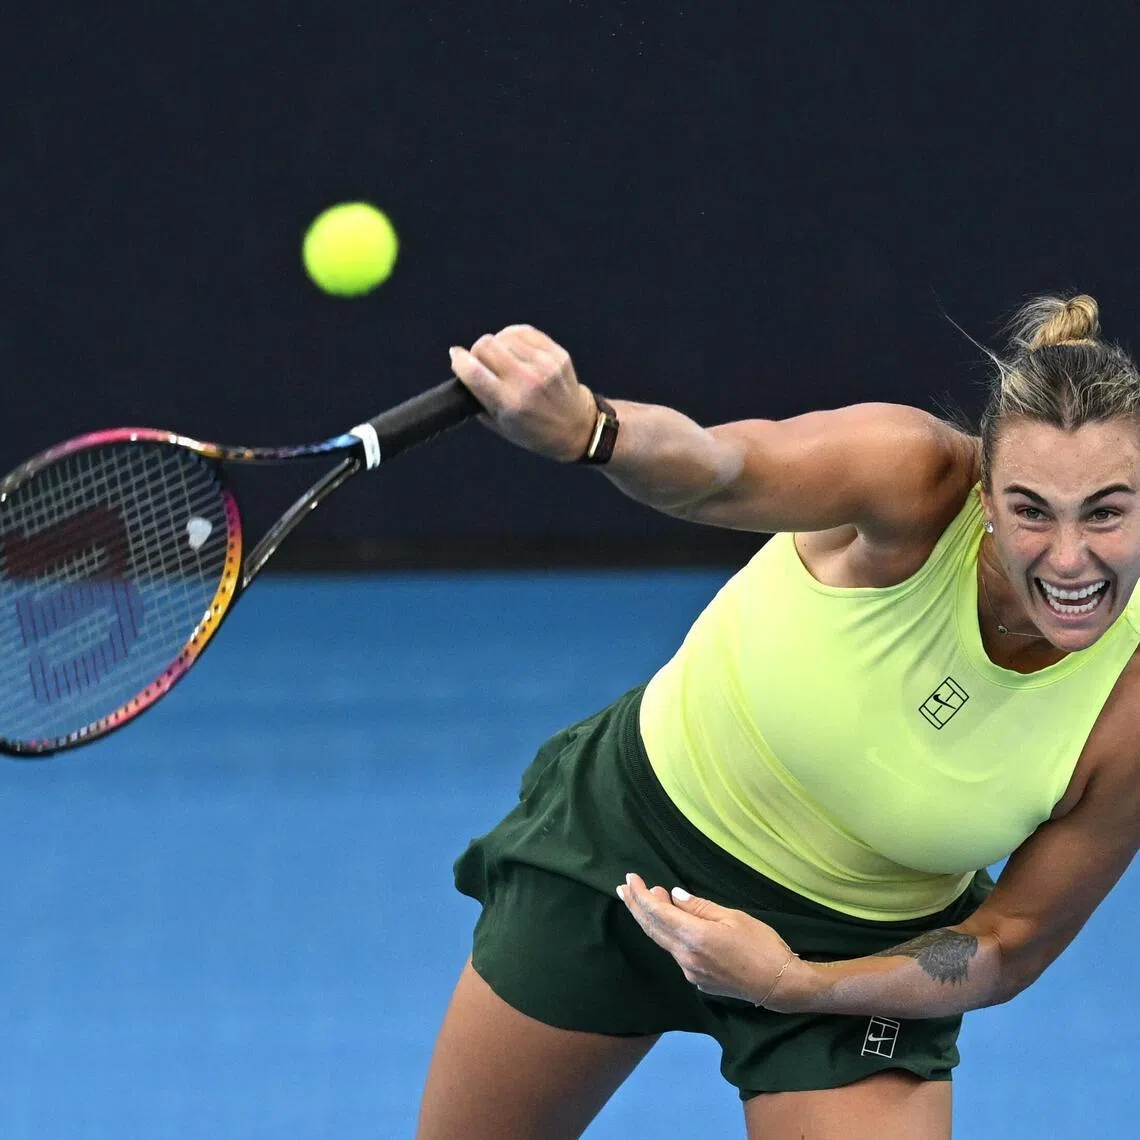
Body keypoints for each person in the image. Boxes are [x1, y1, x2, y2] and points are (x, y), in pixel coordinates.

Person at [416, 294, 1140, 1140]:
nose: (1068, 558)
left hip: (861, 957)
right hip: (620, 852)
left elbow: (1004, 942)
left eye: (1106, 511)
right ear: (983, 495)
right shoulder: (910, 477)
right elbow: (725, 466)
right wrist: (593, 429)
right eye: (1030, 510)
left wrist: (799, 985)